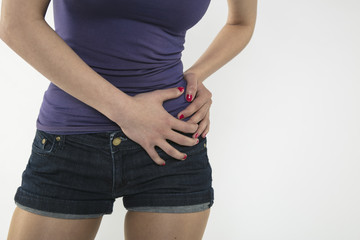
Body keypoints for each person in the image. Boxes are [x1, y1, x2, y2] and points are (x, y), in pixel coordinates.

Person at [0, 0, 257, 239]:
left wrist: (195, 76)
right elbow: (16, 23)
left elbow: (241, 23)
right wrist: (127, 112)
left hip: (171, 138)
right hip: (70, 141)